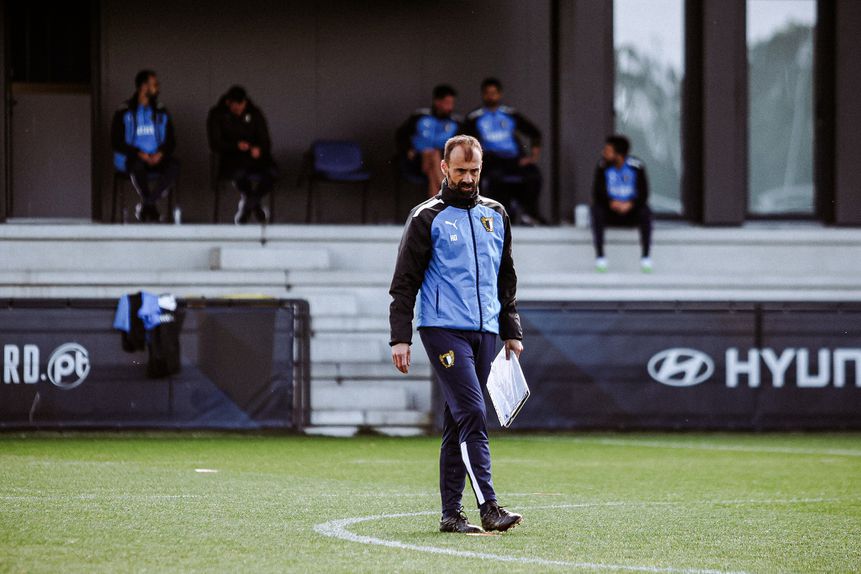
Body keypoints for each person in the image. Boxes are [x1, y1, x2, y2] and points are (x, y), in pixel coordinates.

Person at [389, 135, 523, 534]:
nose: (468, 178)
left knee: (456, 423)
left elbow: (505, 277)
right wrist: (401, 337)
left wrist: (510, 329)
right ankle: (489, 507)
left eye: (475, 171)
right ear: (443, 168)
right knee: (473, 413)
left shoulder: (496, 214)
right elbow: (404, 282)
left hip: (484, 331)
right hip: (442, 329)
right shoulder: (426, 217)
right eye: (461, 170)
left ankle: (451, 515)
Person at [465, 77, 543, 225]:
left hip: (514, 159)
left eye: (494, 93)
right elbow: (463, 140)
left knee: (534, 175)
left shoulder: (510, 114)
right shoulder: (475, 117)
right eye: (488, 93)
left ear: (499, 94)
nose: (491, 96)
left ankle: (529, 213)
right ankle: (490, 217)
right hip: (490, 159)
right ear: (483, 94)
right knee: (493, 180)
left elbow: (534, 132)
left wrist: (533, 156)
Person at [111, 70, 180, 223]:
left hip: (157, 159)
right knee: (136, 165)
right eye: (154, 85)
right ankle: (150, 205)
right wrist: (138, 153)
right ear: (143, 87)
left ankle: (148, 202)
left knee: (174, 165)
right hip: (134, 159)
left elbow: (171, 141)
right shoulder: (124, 110)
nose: (158, 88)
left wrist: (160, 153)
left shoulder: (161, 110)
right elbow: (116, 141)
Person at [207, 85, 278, 224]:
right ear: (228, 103)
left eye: (241, 104)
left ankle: (248, 206)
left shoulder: (255, 113)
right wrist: (235, 146)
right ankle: (255, 207)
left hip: (255, 158)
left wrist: (259, 149)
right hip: (231, 158)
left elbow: (266, 141)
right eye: (235, 105)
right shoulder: (217, 114)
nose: (239, 108)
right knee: (239, 174)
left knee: (273, 172)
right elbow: (215, 143)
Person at [591, 134, 653, 272]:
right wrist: (611, 202)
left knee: (645, 211)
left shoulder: (636, 166)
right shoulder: (602, 166)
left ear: (618, 154)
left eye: (607, 151)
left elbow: (644, 193)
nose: (604, 153)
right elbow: (597, 192)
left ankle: (646, 258)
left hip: (630, 212)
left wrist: (630, 204)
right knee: (596, 210)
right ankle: (600, 258)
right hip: (611, 211)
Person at [396, 84, 462, 198]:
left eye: (452, 103)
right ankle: (448, 192)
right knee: (431, 154)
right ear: (437, 102)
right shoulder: (420, 117)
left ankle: (435, 208)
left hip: (445, 164)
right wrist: (408, 149)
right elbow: (401, 135)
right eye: (447, 103)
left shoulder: (456, 122)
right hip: (417, 161)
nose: (450, 107)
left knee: (433, 165)